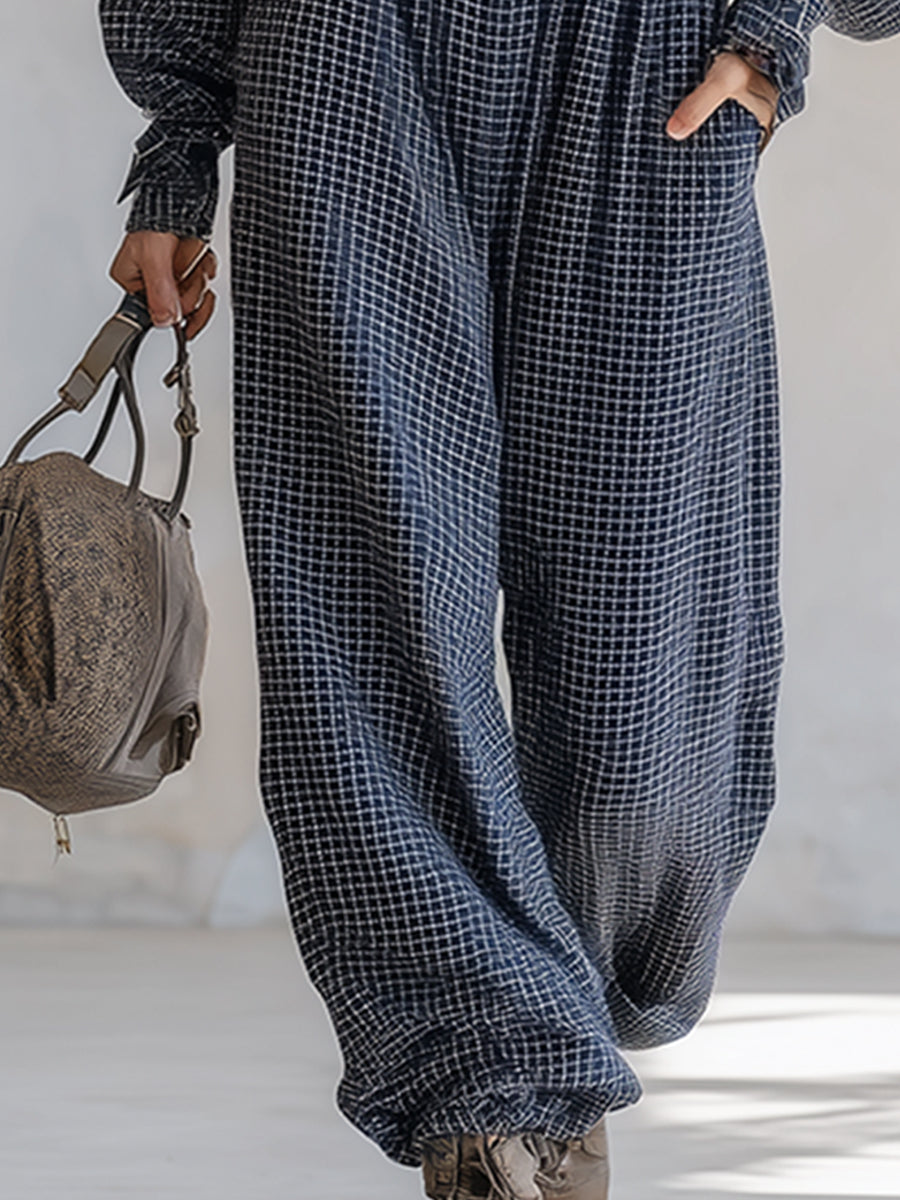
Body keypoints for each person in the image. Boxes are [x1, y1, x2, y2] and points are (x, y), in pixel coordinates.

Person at [97, 2, 900, 1197]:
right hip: (348, 52)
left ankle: (554, 1013)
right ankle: (500, 1101)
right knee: (373, 610)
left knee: (646, 655)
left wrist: (769, 25)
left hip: (652, 57)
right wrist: (178, 142)